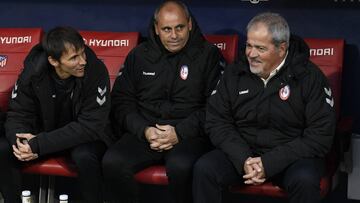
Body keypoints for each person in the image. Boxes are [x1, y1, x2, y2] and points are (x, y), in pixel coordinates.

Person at [193, 12, 336, 203]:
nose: (251, 54)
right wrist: (244, 159)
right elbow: (217, 121)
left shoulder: (310, 77)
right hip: (243, 152)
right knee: (205, 169)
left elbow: (320, 136)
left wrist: (269, 163)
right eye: (249, 46)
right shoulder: (234, 72)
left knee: (305, 180)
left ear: (281, 48)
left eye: (260, 48)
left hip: (290, 156)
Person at [102, 1, 225, 203]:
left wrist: (179, 133)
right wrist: (144, 130)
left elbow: (215, 107)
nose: (174, 35)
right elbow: (122, 101)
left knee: (180, 166)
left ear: (190, 24)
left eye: (180, 27)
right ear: (157, 29)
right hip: (146, 132)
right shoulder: (139, 55)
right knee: (113, 162)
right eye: (167, 29)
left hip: (189, 135)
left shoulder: (209, 55)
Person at [0, 26, 113, 203]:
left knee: (84, 156)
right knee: (5, 148)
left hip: (83, 138)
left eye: (82, 53)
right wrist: (22, 142)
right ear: (53, 61)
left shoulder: (95, 71)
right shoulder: (33, 71)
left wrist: (39, 144)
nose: (83, 61)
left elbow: (91, 126)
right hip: (43, 135)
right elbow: (18, 113)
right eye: (74, 58)